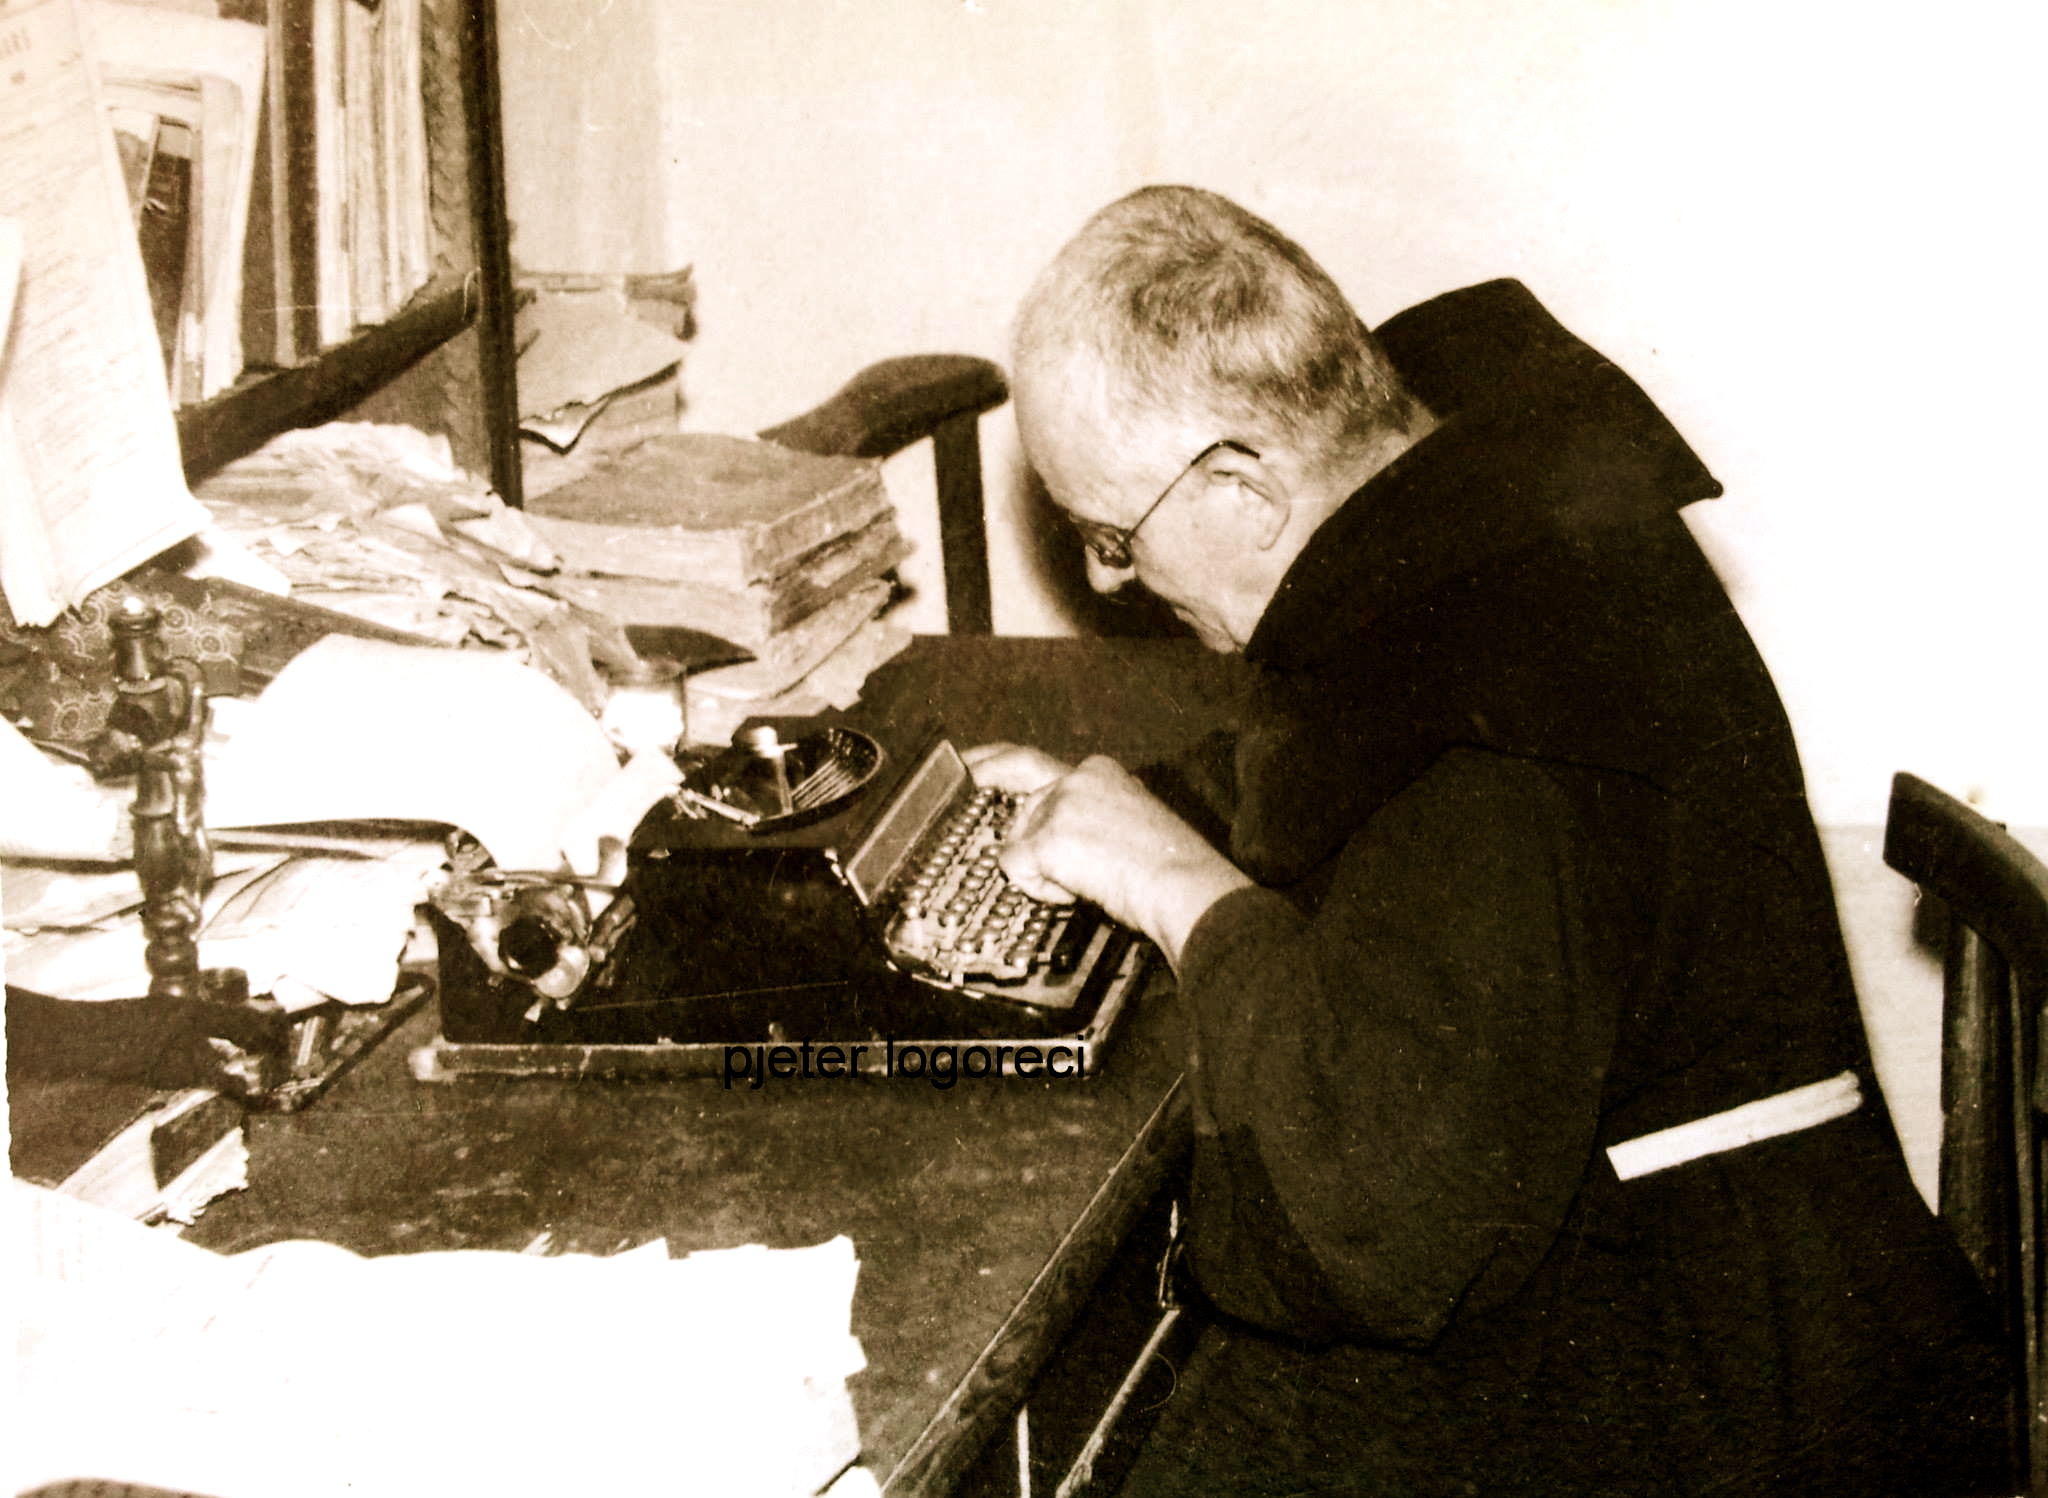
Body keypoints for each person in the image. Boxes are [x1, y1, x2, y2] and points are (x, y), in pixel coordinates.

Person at [970, 185, 2012, 1497]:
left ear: (1242, 485)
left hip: (1729, 1381)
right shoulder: (1471, 485)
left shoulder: (1498, 737)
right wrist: (1143, 802)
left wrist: (1175, 883)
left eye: (1111, 537)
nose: (1108, 580)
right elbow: (1354, 767)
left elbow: (1379, 1229)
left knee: (1155, 1436)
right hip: (1728, 1250)